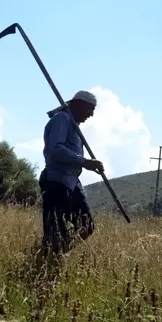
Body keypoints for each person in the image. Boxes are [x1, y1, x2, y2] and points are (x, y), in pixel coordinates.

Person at [39, 90, 105, 256]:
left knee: (87, 226)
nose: (91, 114)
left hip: (72, 183)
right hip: (56, 183)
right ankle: (51, 254)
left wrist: (86, 164)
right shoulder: (62, 119)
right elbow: (55, 149)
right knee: (55, 231)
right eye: (90, 109)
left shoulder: (73, 124)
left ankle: (57, 253)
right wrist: (84, 162)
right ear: (78, 104)